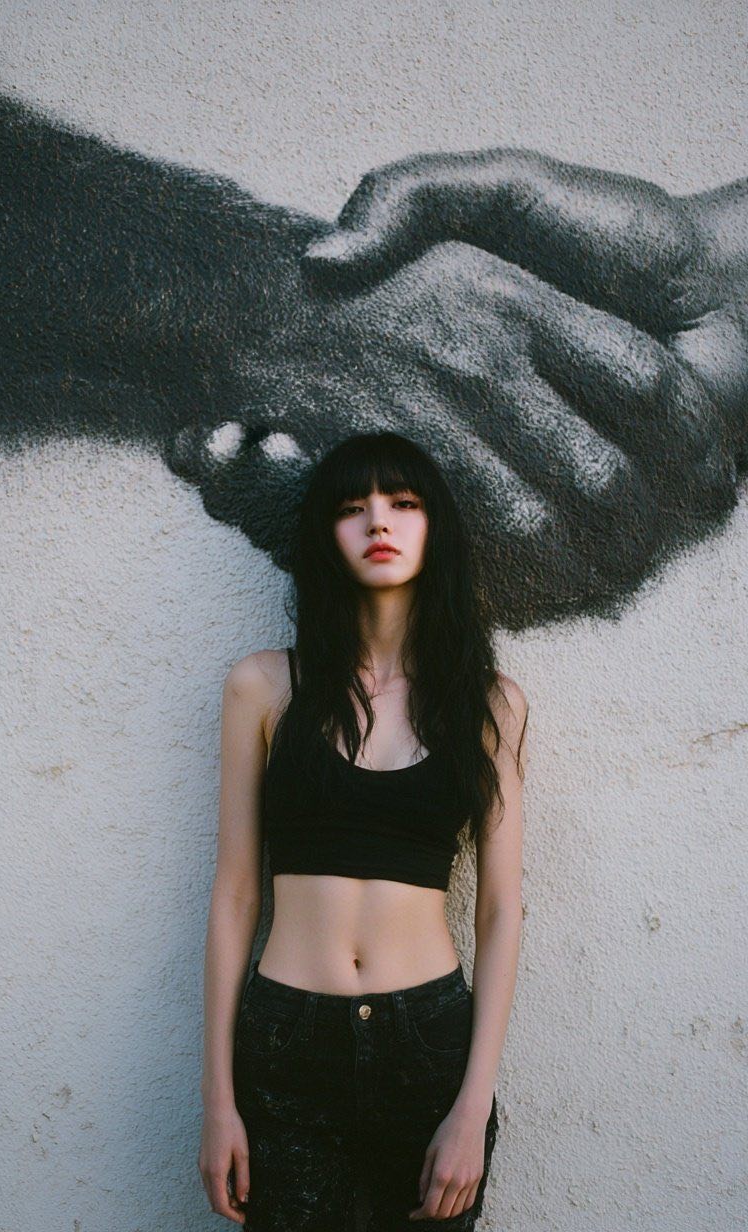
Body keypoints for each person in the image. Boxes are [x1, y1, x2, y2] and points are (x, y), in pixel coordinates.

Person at [198, 430, 528, 1229]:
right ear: (327, 536)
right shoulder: (264, 688)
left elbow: (500, 910)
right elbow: (236, 895)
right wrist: (218, 1099)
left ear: (434, 526)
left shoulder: (488, 704)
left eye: (403, 503)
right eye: (353, 507)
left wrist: (473, 1106)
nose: (378, 520)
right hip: (288, 1042)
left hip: (429, 1046)